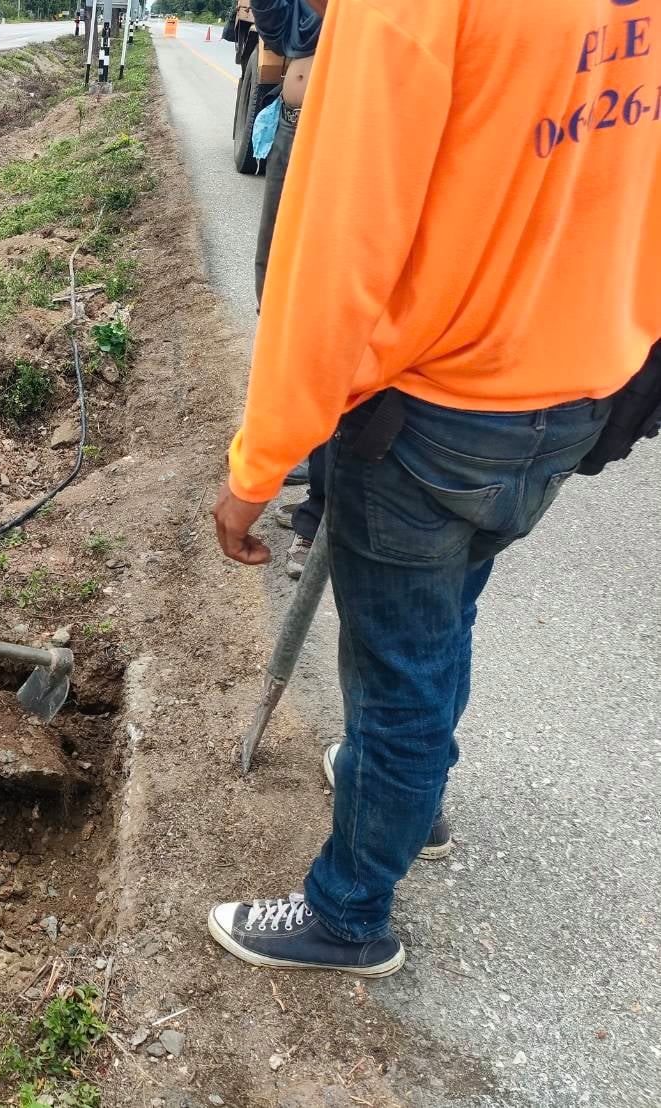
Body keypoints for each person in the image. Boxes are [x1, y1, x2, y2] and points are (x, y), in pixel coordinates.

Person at [209, 0, 660, 976]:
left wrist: (259, 463)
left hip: (433, 410)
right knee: (441, 620)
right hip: (572, 395)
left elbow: (334, 252)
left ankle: (347, 914)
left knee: (398, 676)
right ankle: (407, 799)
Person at [249, 0, 324, 579]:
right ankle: (303, 444)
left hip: (341, 132)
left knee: (320, 310)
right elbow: (276, 30)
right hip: (293, 129)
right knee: (274, 287)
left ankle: (321, 509)